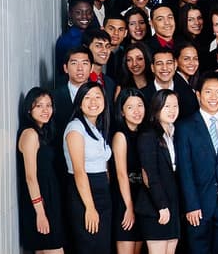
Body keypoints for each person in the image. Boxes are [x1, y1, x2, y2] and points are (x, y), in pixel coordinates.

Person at [175, 72, 218, 254]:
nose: (214, 97)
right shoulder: (185, 126)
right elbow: (185, 170)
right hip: (198, 206)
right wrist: (191, 205)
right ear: (198, 95)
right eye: (208, 92)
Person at [64, 82, 112, 253]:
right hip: (84, 194)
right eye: (87, 97)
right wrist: (90, 208)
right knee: (88, 246)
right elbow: (79, 171)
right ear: (79, 102)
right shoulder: (75, 128)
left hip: (102, 193)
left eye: (98, 97)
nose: (93, 101)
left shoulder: (98, 127)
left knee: (102, 247)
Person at [17, 88, 66, 253]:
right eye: (39, 106)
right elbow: (30, 177)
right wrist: (40, 212)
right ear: (29, 109)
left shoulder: (43, 132)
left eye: (49, 105)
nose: (45, 110)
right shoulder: (30, 134)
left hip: (48, 199)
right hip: (40, 203)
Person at [136, 89, 181, 253]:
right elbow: (150, 174)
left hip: (173, 205)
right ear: (156, 108)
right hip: (155, 207)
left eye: (175, 106)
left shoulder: (174, 133)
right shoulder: (148, 135)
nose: (172, 110)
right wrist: (161, 205)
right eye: (167, 106)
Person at [110, 89, 146, 254]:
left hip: (141, 199)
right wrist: (129, 207)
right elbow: (121, 175)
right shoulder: (120, 136)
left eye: (140, 105)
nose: (137, 111)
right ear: (122, 111)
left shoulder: (144, 134)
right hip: (124, 200)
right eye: (130, 107)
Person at [55, 0, 95, 74]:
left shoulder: (94, 34)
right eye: (78, 13)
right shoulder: (66, 41)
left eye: (88, 12)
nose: (84, 16)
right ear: (70, 14)